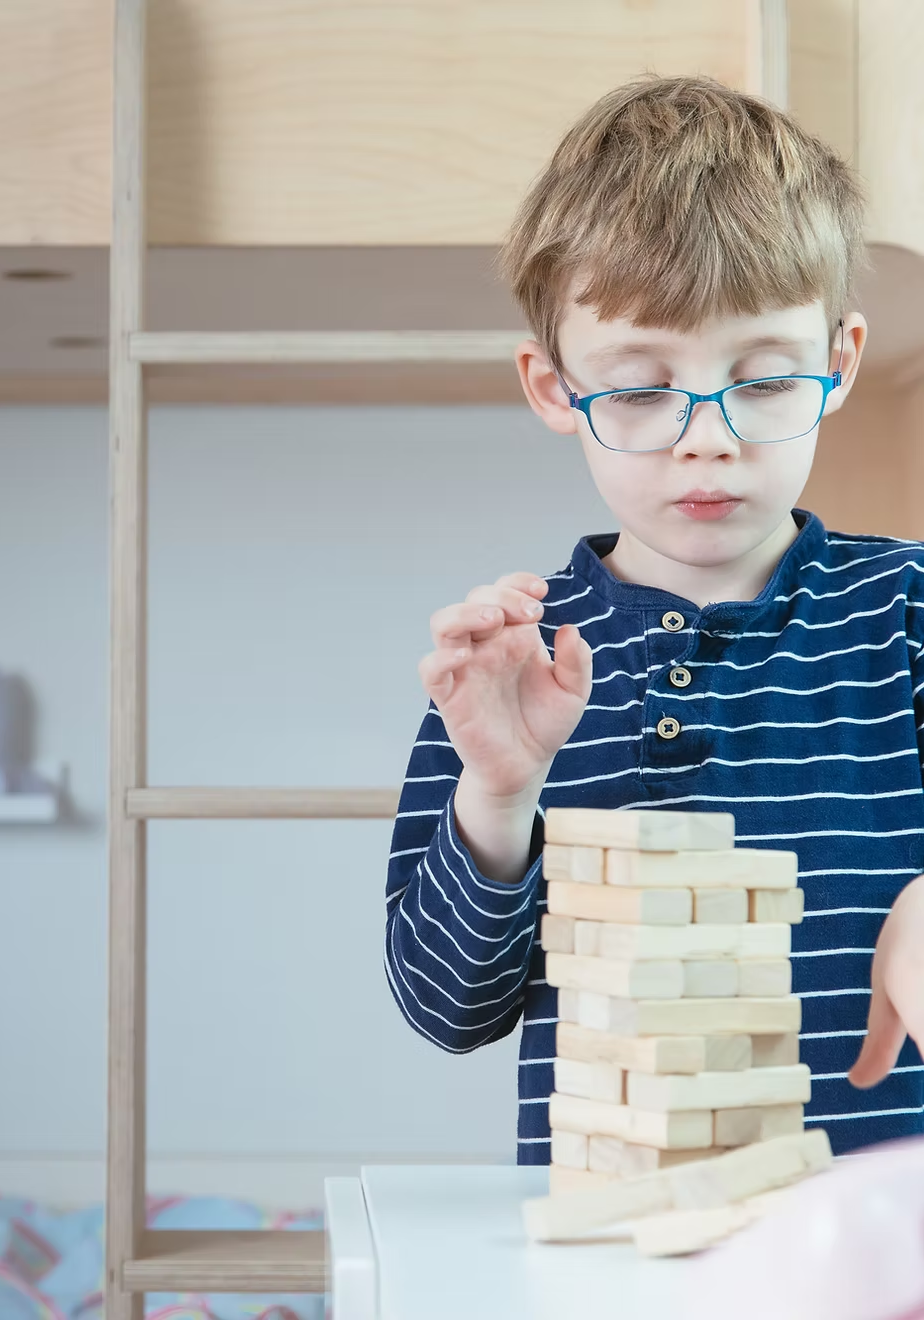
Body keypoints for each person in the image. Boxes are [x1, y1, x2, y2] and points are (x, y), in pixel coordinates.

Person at [385, 73, 924, 1162]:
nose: (705, 438)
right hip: (618, 1231)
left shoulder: (906, 613)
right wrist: (499, 794)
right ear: (555, 389)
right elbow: (447, 1011)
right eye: (639, 390)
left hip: (879, 1228)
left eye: (762, 382)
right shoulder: (511, 666)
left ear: (837, 365)